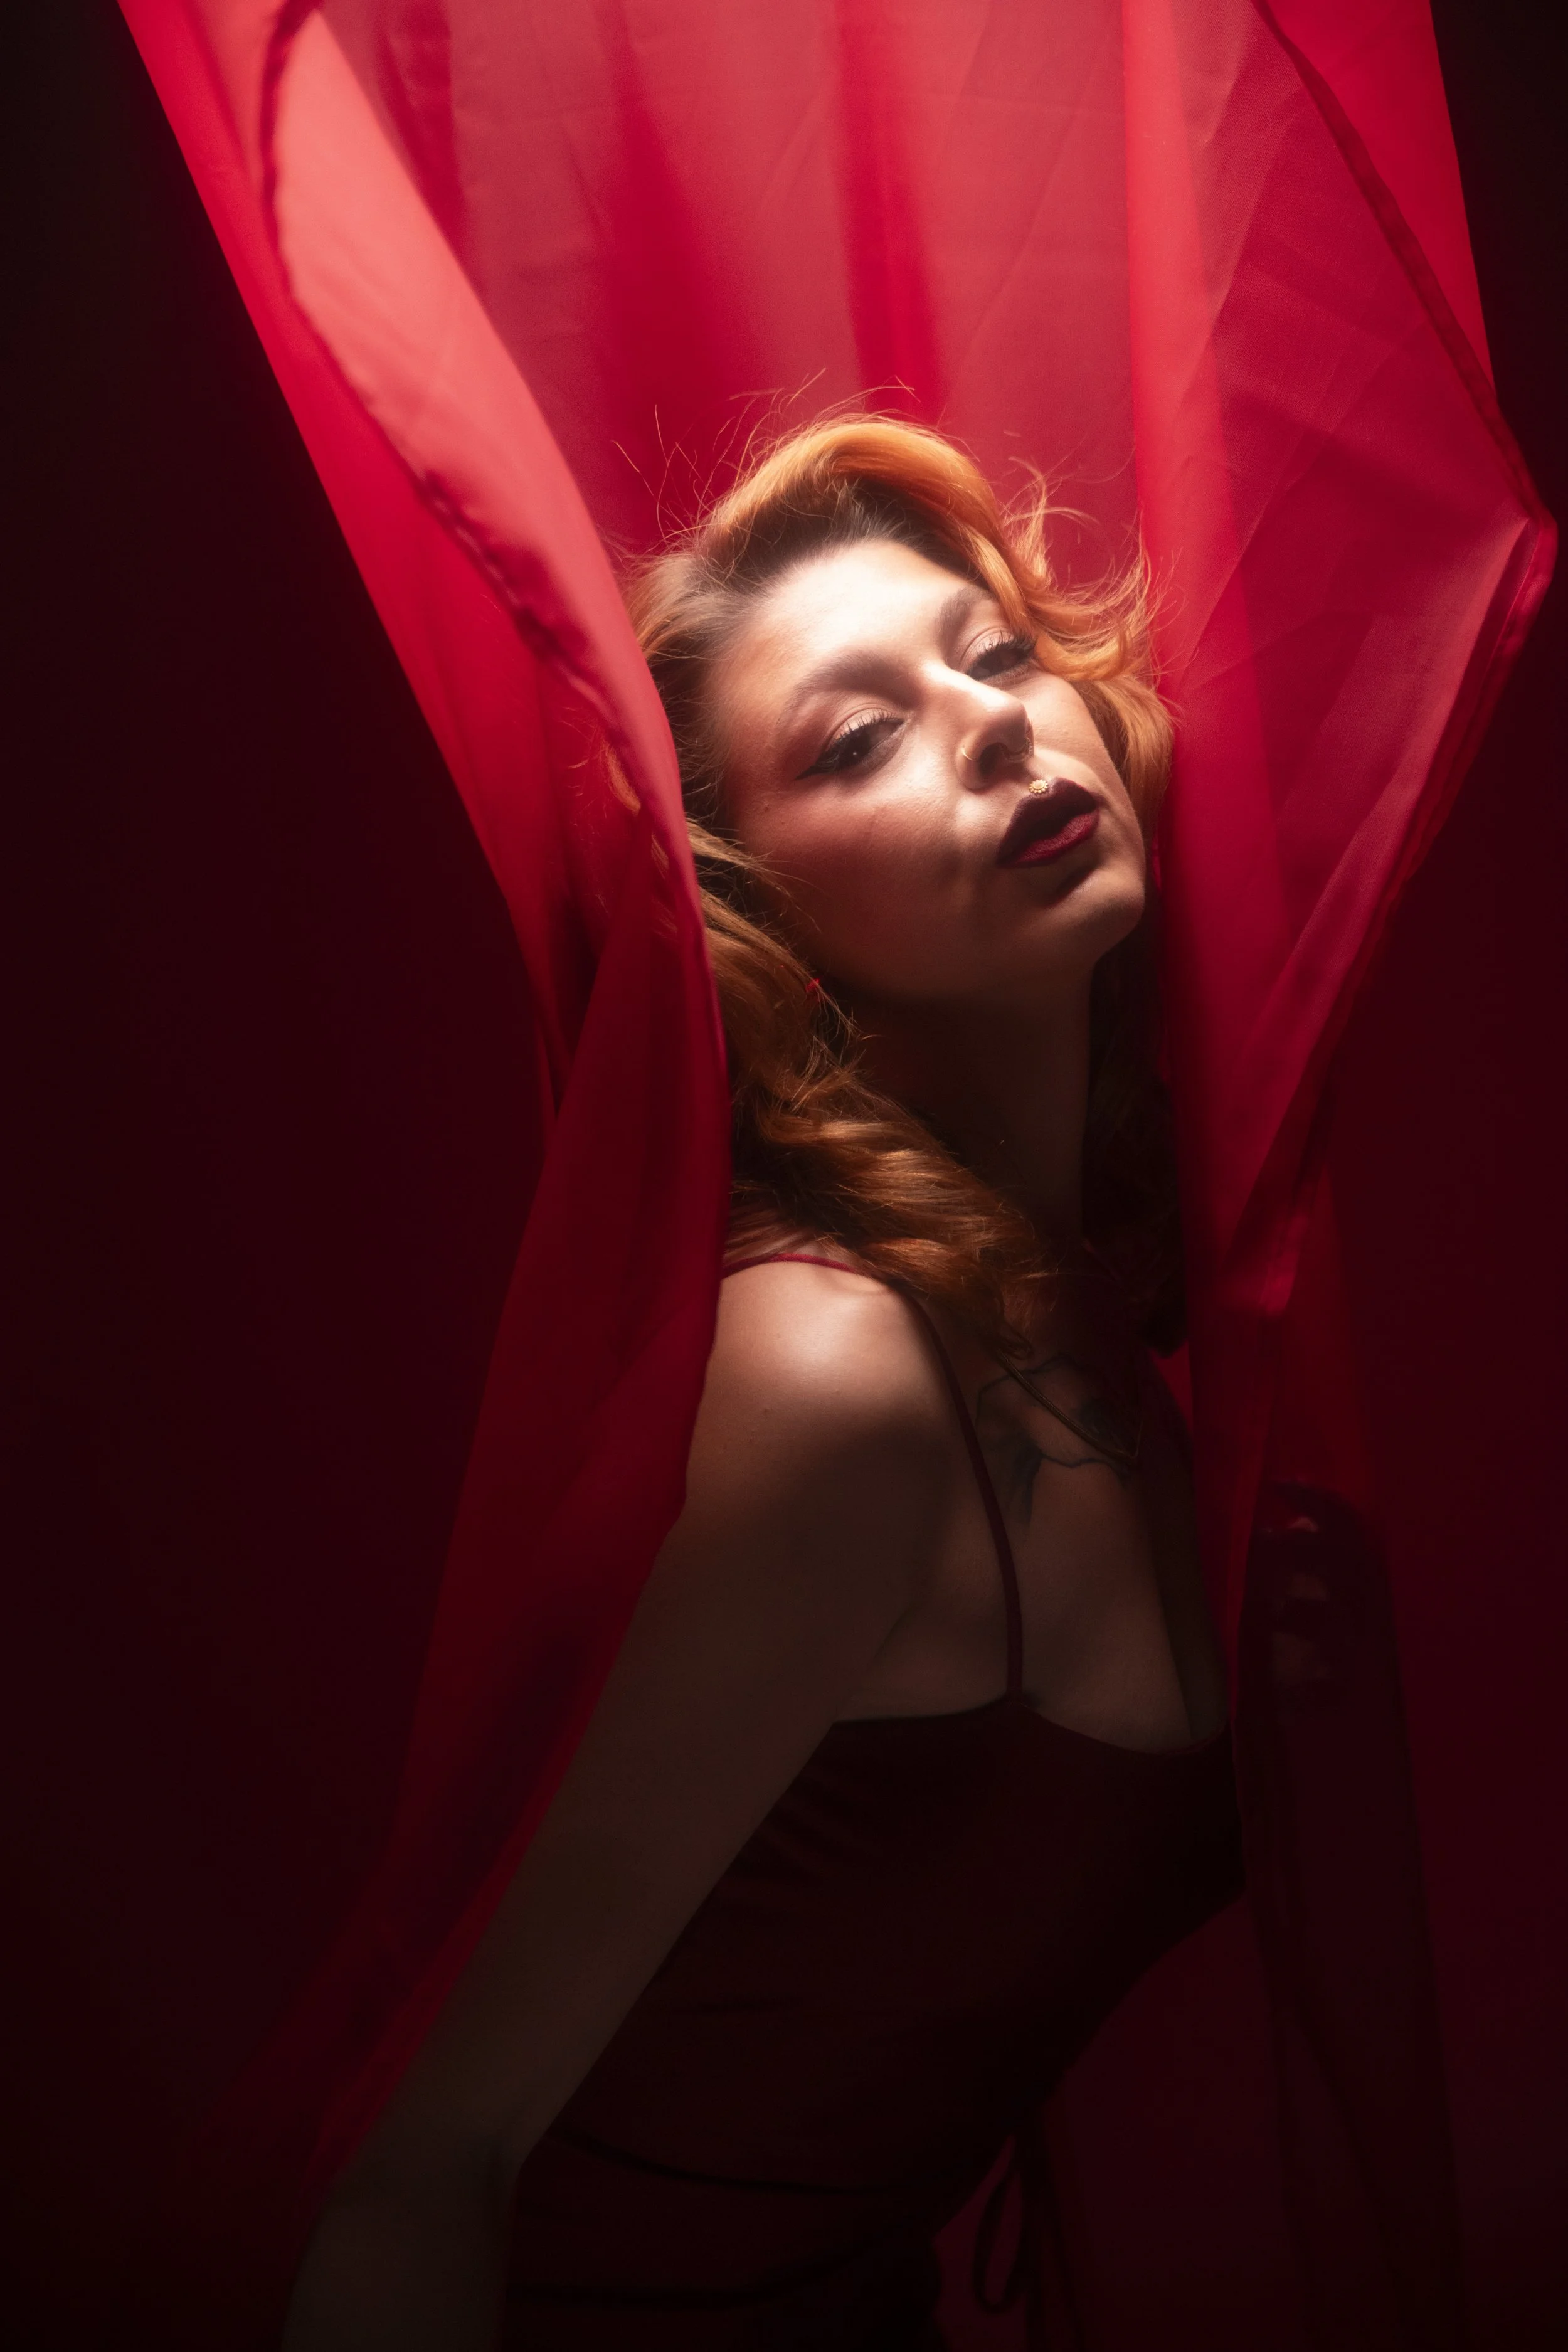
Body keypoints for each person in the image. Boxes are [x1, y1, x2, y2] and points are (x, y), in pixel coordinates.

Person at [280, 418, 1244, 2351]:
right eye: (857, 738)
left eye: (994, 655)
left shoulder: (1085, 1314)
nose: (994, 725)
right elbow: (419, 2162)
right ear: (751, 912)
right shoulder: (836, 1373)